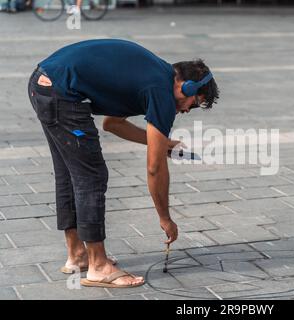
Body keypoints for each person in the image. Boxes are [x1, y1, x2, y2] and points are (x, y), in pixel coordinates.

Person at [27, 39, 219, 288]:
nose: (185, 111)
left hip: (44, 83)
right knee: (91, 176)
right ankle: (98, 266)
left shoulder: (154, 74)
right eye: (192, 104)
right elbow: (154, 167)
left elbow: (112, 124)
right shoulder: (161, 90)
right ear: (188, 87)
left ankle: (77, 255)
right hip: (61, 92)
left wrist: (164, 144)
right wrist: (165, 218)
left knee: (70, 172)